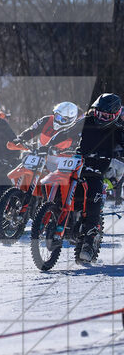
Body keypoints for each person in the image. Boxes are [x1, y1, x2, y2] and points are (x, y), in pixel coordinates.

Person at [45, 93, 124, 261]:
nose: (100, 118)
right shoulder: (87, 119)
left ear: (115, 115)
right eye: (98, 113)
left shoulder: (118, 129)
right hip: (78, 162)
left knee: (93, 197)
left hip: (97, 168)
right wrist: (51, 142)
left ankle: (89, 240)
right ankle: (52, 213)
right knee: (58, 180)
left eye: (105, 115)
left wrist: (119, 156)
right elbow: (68, 132)